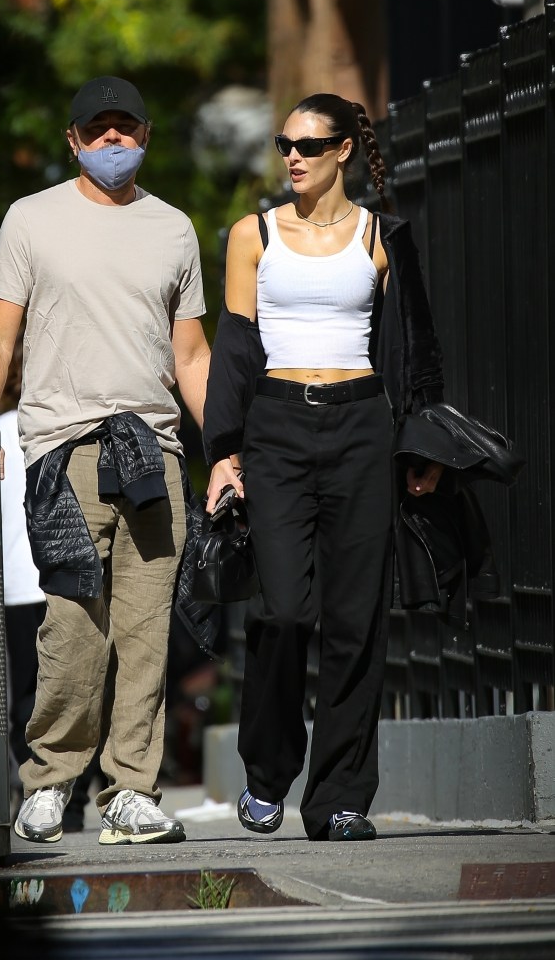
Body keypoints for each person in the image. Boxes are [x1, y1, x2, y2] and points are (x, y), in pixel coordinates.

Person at [0, 75, 211, 846]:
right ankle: (48, 778)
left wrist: (229, 448)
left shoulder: (174, 228)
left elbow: (192, 353)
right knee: (73, 625)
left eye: (125, 128)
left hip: (155, 452)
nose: (113, 141)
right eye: (97, 129)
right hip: (63, 449)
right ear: (72, 140)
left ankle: (129, 791)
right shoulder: (30, 219)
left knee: (145, 630)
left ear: (145, 134)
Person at [202, 92, 445, 843]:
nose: (292, 158)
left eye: (308, 145)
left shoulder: (381, 235)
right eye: (283, 144)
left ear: (343, 150)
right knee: (280, 608)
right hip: (275, 424)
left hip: (361, 427)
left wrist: (421, 447)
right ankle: (268, 771)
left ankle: (339, 797)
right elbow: (236, 347)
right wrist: (221, 451)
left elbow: (417, 349)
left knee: (353, 618)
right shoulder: (254, 234)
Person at [0, 331, 104, 831]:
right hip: (46, 579)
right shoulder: (64, 427)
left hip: (21, 583)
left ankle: (44, 791)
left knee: (30, 695)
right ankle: (71, 796)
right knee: (73, 683)